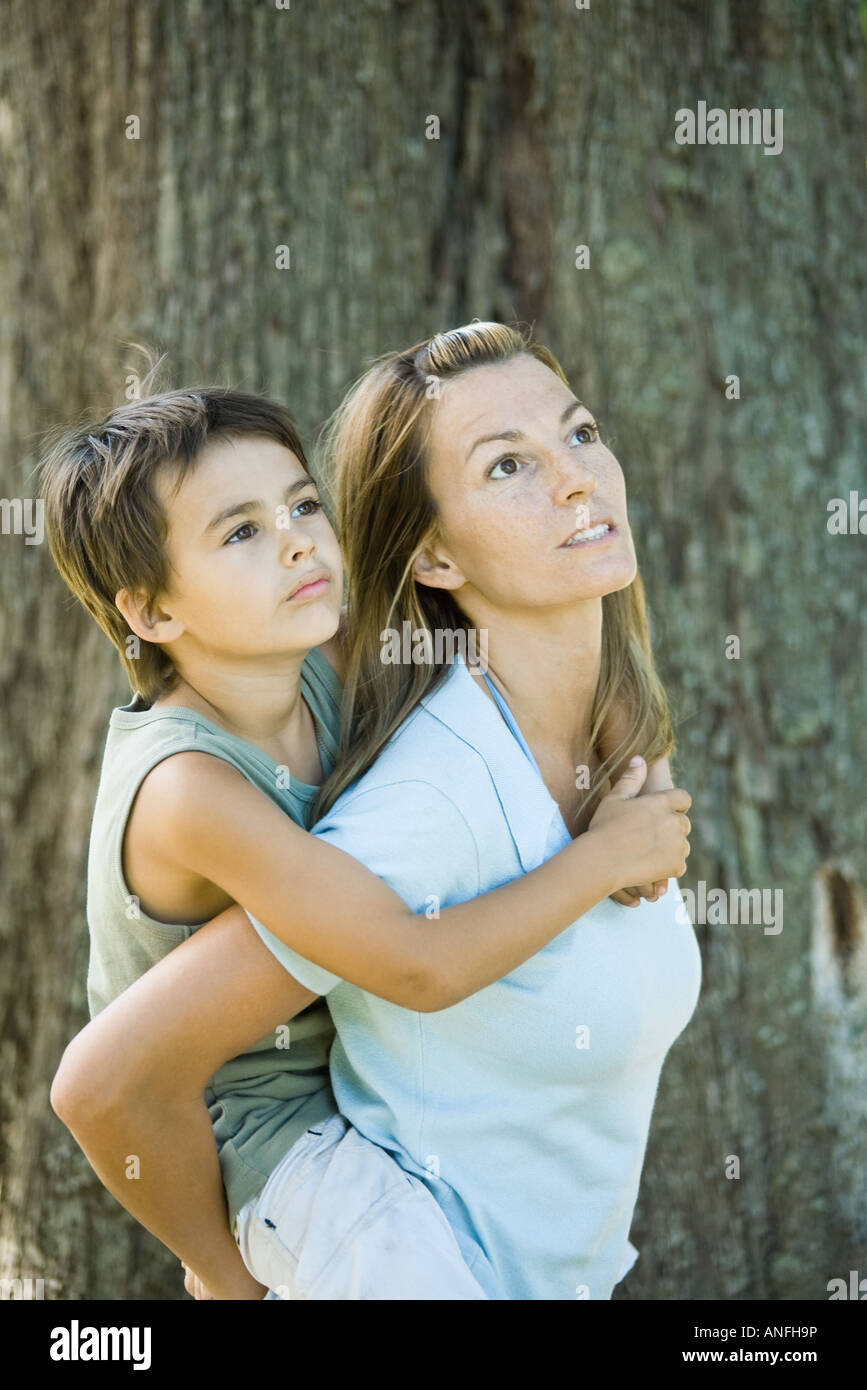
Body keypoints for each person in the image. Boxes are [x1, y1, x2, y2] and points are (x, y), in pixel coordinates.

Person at [45, 375, 691, 1300]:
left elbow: (559, 623)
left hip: (355, 1090)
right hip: (264, 1137)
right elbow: (414, 966)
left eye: (302, 503)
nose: (299, 539)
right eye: (242, 533)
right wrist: (223, 1275)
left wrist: (642, 771)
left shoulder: (325, 654)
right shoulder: (190, 792)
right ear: (152, 614)